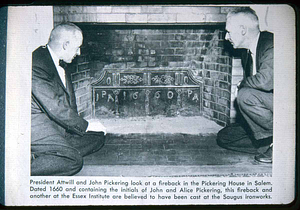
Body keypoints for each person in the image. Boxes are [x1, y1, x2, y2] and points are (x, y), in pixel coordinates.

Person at [31, 22, 107, 176]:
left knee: (98, 137)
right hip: (37, 126)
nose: (78, 53)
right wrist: (85, 126)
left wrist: (87, 127)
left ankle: (56, 152)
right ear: (65, 45)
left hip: (56, 125)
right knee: (74, 161)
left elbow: (67, 104)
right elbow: (55, 107)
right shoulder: (36, 63)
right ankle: (16, 171)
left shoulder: (58, 63)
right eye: (77, 47)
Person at [217, 8, 273, 163]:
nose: (226, 37)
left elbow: (266, 81)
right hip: (267, 111)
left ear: (242, 30)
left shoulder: (270, 43)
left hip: (285, 110)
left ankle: (282, 142)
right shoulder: (246, 53)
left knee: (245, 95)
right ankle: (269, 144)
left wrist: (241, 84)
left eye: (228, 32)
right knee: (225, 137)